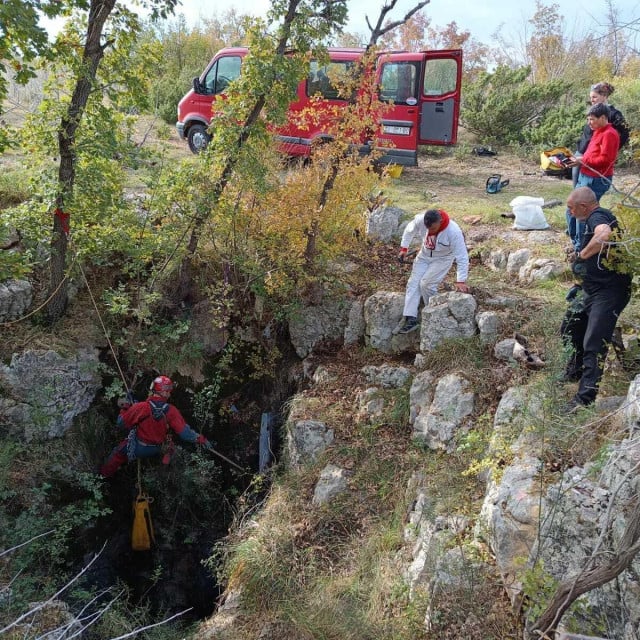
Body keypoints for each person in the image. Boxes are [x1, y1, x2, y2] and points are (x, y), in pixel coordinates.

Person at [562, 187, 631, 410]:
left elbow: (604, 235)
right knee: (570, 326)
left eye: (571, 208)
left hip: (609, 293)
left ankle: (584, 400)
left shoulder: (598, 216)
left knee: (594, 342)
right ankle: (575, 371)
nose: (570, 213)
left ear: (584, 206)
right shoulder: (589, 217)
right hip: (590, 289)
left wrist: (581, 256)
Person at [100, 375, 212, 477]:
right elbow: (185, 434)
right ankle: (164, 468)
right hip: (156, 449)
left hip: (139, 447)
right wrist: (201, 439)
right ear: (164, 393)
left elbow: (120, 423)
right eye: (168, 391)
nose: (170, 394)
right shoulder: (171, 411)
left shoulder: (141, 407)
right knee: (170, 446)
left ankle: (103, 476)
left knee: (118, 453)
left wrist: (126, 408)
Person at [395, 208, 469, 334]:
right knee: (413, 283)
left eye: (433, 229)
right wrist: (404, 248)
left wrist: (460, 280)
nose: (429, 231)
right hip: (424, 256)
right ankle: (411, 318)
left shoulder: (453, 231)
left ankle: (433, 311)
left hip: (443, 258)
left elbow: (462, 256)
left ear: (440, 222)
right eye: (427, 228)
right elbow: (409, 230)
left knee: (426, 284)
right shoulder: (420, 220)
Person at [565, 103, 621, 251]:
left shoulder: (609, 134)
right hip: (585, 174)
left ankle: (581, 248)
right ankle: (574, 241)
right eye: (588, 119)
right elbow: (592, 153)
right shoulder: (597, 130)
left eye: (592, 119)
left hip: (596, 178)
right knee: (570, 208)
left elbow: (606, 160)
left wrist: (583, 161)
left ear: (603, 118)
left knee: (582, 213)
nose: (589, 123)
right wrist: (578, 161)